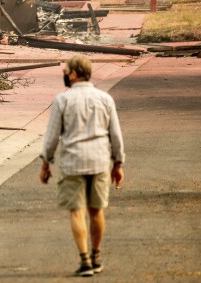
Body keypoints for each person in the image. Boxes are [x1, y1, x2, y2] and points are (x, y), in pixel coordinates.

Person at [40, 55, 125, 277]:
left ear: (75, 74)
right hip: (99, 162)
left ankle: (85, 260)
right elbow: (115, 135)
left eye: (66, 71)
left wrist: (45, 163)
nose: (65, 75)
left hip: (72, 163)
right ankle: (96, 257)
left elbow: (51, 137)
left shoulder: (62, 100)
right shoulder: (105, 99)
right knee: (96, 211)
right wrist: (118, 163)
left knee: (76, 212)